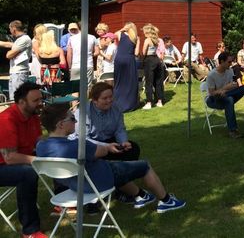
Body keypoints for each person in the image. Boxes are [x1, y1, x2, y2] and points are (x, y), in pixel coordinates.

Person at [37, 103, 185, 214]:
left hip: (76, 186)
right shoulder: (78, 145)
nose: (75, 122)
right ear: (61, 124)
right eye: (72, 118)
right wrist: (108, 147)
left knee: (118, 167)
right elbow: (101, 152)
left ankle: (142, 195)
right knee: (143, 166)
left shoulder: (41, 147)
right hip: (99, 182)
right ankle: (166, 201)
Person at [0, 82, 46, 237]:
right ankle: (30, 231)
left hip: (19, 158)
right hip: (4, 164)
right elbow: (10, 158)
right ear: (21, 102)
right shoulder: (6, 119)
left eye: (41, 99)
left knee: (59, 154)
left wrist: (53, 149)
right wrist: (38, 160)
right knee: (27, 173)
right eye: (36, 101)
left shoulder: (33, 116)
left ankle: (64, 203)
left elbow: (39, 141)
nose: (40, 103)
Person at [73, 82, 140, 162]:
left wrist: (123, 142)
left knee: (133, 148)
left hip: (109, 141)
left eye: (111, 97)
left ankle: (124, 170)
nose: (109, 100)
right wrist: (106, 146)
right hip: (91, 144)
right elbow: (84, 139)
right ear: (94, 100)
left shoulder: (116, 108)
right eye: (105, 98)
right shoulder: (83, 113)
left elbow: (120, 130)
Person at [205, 52, 244, 139]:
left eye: (231, 61)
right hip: (213, 99)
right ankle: (233, 131)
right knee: (229, 100)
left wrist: (233, 86)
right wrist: (225, 89)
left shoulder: (230, 71)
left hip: (227, 96)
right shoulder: (211, 75)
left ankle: (233, 131)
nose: (231, 64)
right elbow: (212, 93)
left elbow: (234, 85)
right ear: (222, 61)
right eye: (229, 62)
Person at [0, 20, 33, 101]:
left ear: (14, 29)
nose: (10, 31)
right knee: (13, 99)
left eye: (10, 29)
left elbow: (9, 55)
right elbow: (7, 44)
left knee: (18, 99)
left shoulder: (24, 39)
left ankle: (19, 113)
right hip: (15, 73)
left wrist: (9, 52)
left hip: (19, 73)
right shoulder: (20, 39)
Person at [114, 22, 140, 113]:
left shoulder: (120, 34)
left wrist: (123, 29)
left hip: (119, 59)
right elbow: (136, 53)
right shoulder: (136, 38)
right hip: (129, 59)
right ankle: (130, 104)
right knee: (130, 82)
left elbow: (114, 34)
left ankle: (118, 104)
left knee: (119, 82)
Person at [141, 24, 165, 110]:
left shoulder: (147, 40)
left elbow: (144, 52)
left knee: (149, 82)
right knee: (158, 82)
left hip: (149, 60)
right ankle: (159, 101)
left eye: (144, 31)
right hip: (157, 60)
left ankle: (149, 102)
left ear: (147, 32)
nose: (143, 33)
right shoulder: (156, 40)